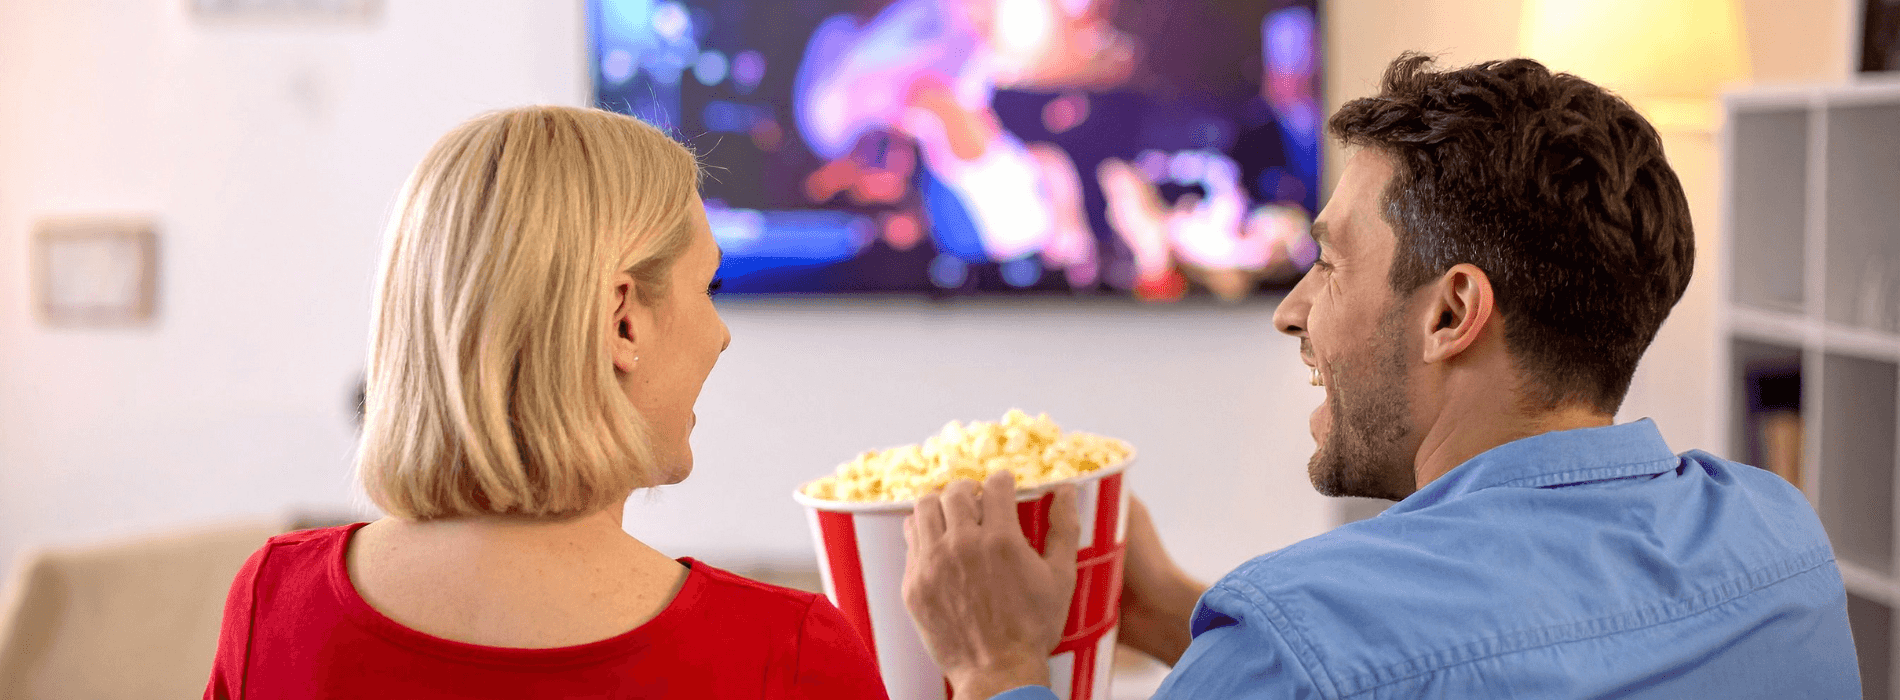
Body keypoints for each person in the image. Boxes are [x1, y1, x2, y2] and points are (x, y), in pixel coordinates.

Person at [901, 54, 1861, 699]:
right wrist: (1166, 615)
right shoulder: (1781, 540)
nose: (1291, 308)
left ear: (1450, 313)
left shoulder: (1285, 647)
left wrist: (998, 663)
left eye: (1329, 264)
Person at [204, 106, 888, 699]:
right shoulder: (788, 653)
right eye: (708, 289)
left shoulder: (275, 600)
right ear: (623, 318)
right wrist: (986, 674)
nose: (721, 334)